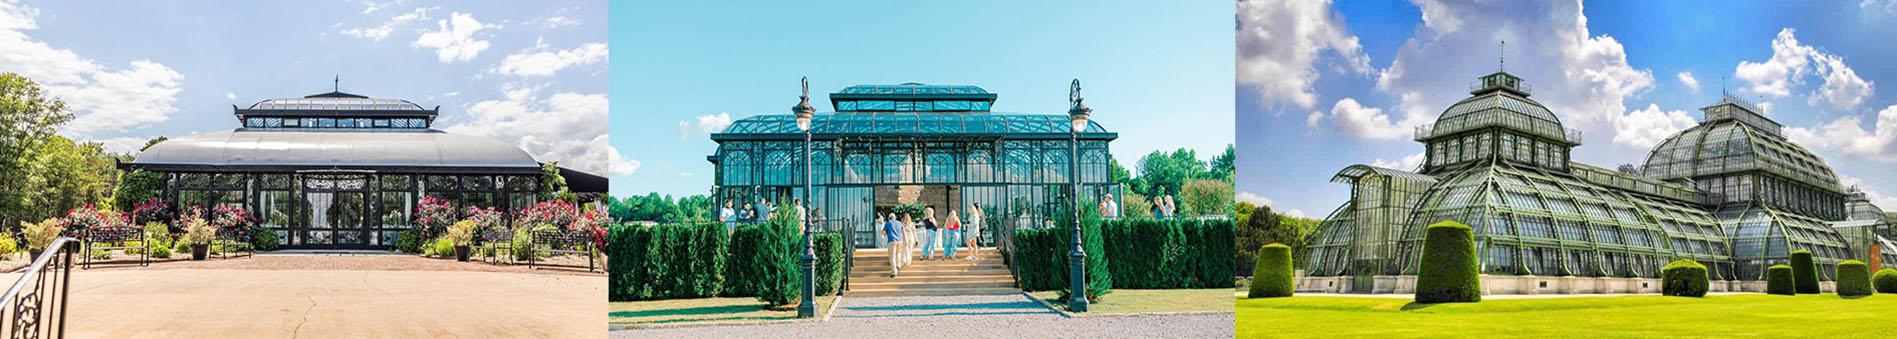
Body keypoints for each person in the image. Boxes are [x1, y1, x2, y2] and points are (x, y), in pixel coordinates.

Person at [882, 213, 904, 277]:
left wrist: (887, 233)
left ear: (889, 218)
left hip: (892, 240)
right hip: (900, 240)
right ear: (895, 217)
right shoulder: (899, 223)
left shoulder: (888, 223)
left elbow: (883, 232)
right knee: (898, 253)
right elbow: (903, 232)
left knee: (892, 257)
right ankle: (898, 265)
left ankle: (894, 272)